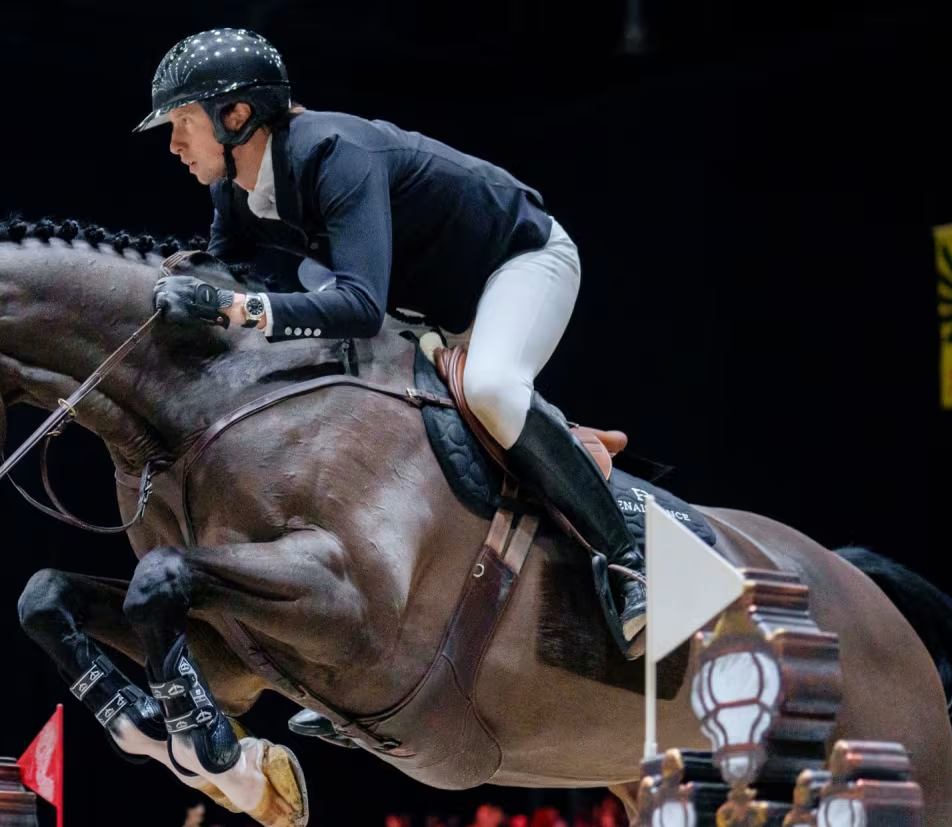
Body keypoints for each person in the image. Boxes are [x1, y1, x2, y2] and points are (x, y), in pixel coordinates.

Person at [134, 25, 649, 735]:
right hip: (430, 306)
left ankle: (628, 559)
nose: (173, 144)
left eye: (182, 122)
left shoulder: (333, 153)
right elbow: (233, 284)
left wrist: (233, 306)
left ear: (235, 116)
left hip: (517, 263)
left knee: (494, 389)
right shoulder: (238, 193)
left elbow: (355, 304)